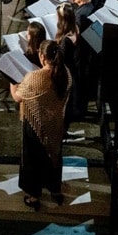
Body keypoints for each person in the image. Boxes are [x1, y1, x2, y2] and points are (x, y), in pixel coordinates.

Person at [10, 40, 71, 211]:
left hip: (35, 123)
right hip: (55, 121)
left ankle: (34, 195)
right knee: (54, 155)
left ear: (43, 57)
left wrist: (12, 82)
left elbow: (17, 97)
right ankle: (55, 189)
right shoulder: (65, 72)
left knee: (33, 159)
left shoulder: (35, 77)